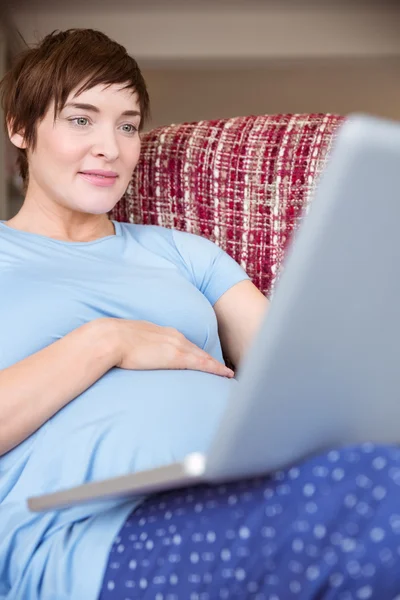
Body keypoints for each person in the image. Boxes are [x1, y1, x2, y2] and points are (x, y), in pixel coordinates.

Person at [0, 28, 399, 600]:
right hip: (85, 533)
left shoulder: (183, 252)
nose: (110, 147)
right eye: (81, 119)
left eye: (128, 124)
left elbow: (298, 377)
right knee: (369, 500)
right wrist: (105, 342)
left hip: (250, 492)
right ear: (21, 126)